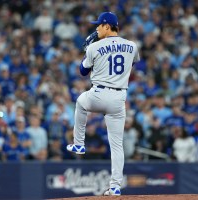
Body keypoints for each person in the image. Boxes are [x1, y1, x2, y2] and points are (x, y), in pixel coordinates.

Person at [66, 12, 140, 196]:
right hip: (119, 99)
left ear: (108, 26)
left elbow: (82, 71)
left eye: (99, 25)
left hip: (98, 94)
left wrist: (88, 49)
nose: (97, 28)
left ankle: (79, 144)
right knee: (117, 145)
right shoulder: (132, 46)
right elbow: (133, 62)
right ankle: (115, 186)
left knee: (81, 102)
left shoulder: (95, 46)